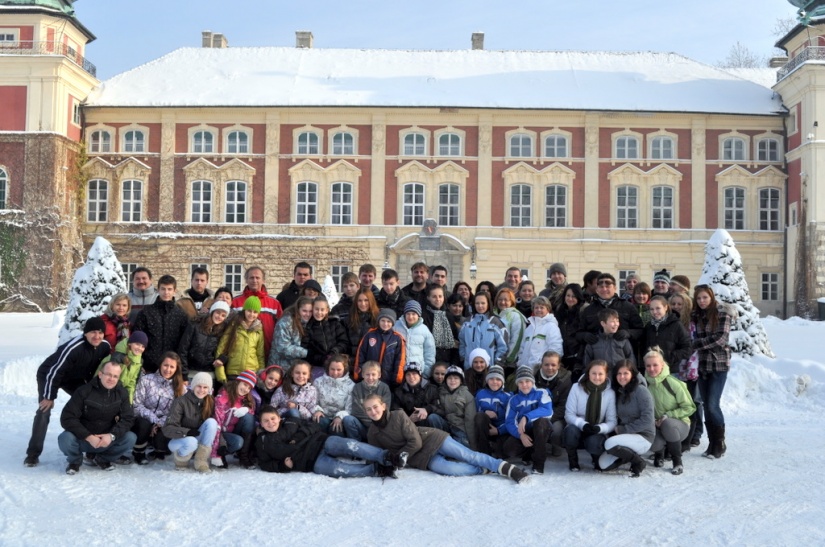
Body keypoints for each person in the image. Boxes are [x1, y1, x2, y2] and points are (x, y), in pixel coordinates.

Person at [364, 393, 529, 483]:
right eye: (369, 409)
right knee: (450, 470)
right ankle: (483, 469)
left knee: (468, 455)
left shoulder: (398, 415)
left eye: (376, 407)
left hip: (431, 439)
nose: (373, 411)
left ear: (384, 406)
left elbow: (416, 441)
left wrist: (399, 457)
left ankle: (505, 468)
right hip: (420, 458)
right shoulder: (373, 433)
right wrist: (383, 464)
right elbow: (376, 453)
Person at [24, 317, 111, 467]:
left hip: (74, 378)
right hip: (49, 375)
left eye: (100, 332)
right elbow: (55, 371)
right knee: (45, 410)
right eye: (93, 332)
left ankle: (92, 449)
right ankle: (33, 454)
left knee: (91, 406)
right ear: (85, 333)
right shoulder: (74, 347)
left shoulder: (104, 347)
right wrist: (49, 396)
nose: (97, 336)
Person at [257, 406, 405, 478]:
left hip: (321, 442)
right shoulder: (263, 442)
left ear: (279, 418)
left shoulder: (291, 422)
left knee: (351, 445)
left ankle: (387, 457)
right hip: (310, 461)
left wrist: (299, 436)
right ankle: (377, 470)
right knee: (341, 469)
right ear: (261, 424)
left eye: (272, 419)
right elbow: (264, 464)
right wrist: (282, 466)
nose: (270, 423)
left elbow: (314, 426)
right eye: (266, 421)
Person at [58, 361, 137, 474]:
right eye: (108, 374)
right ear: (100, 374)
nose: (111, 379)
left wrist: (111, 436)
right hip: (84, 439)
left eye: (115, 376)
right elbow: (67, 418)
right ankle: (74, 462)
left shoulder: (122, 392)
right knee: (65, 438)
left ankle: (103, 459)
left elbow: (128, 419)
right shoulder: (84, 391)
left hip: (107, 440)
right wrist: (88, 437)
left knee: (130, 438)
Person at [691, 284, 732, 459]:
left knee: (713, 404)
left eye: (705, 298)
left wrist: (697, 344)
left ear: (711, 297)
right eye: (699, 298)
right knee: (706, 405)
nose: (702, 301)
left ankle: (720, 443)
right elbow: (694, 336)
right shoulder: (696, 316)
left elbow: (720, 339)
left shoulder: (723, 313)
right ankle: (712, 443)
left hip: (718, 365)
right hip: (702, 366)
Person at [598, 360, 655, 477]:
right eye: (619, 373)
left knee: (609, 443)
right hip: (626, 437)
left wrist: (623, 429)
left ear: (632, 374)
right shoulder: (620, 392)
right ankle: (629, 456)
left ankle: (638, 462)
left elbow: (648, 420)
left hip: (643, 437)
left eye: (625, 373)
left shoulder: (641, 391)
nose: (622, 377)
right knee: (603, 464)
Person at [644, 349, 696, 475]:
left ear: (662, 365)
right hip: (657, 426)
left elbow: (690, 407)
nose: (652, 369)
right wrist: (653, 421)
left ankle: (677, 461)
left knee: (667, 423)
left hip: (678, 426)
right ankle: (659, 453)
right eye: (648, 366)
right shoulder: (645, 385)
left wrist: (668, 416)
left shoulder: (673, 383)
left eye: (655, 365)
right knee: (654, 444)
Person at [131, 351, 186, 464]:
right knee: (143, 423)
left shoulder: (180, 388)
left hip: (163, 422)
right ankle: (139, 452)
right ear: (160, 364)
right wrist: (154, 420)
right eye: (165, 365)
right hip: (145, 418)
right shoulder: (147, 380)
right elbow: (137, 405)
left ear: (176, 369)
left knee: (167, 428)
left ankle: (160, 451)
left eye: (172, 367)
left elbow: (178, 413)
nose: (168, 369)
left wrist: (161, 422)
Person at [564, 360, 617, 471]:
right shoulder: (576, 388)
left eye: (600, 374)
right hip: (578, 426)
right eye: (593, 373)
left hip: (596, 429)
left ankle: (596, 458)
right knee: (570, 431)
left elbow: (612, 421)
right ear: (588, 373)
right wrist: (582, 424)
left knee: (594, 443)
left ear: (606, 375)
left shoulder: (610, 393)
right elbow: (569, 414)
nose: (597, 377)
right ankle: (573, 460)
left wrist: (601, 428)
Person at [162, 372, 219, 472]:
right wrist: (186, 432)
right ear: (193, 386)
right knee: (191, 441)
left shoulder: (210, 402)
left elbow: (214, 429)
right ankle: (181, 461)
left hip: (197, 438)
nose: (202, 390)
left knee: (212, 422)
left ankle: (201, 461)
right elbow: (168, 428)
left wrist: (222, 444)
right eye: (199, 386)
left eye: (205, 387)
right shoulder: (180, 401)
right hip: (179, 441)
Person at [133, 274, 190, 374]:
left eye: (169, 289)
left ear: (174, 291)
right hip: (148, 366)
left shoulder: (181, 315)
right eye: (163, 289)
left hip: (171, 368)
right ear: (158, 290)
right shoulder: (146, 312)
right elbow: (138, 340)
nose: (166, 292)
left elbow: (184, 345)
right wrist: (138, 363)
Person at [501, 366, 552, 474]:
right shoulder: (513, 400)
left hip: (541, 429)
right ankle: (528, 453)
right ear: (517, 384)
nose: (524, 385)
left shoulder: (541, 393)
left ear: (532, 381)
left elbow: (547, 410)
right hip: (525, 431)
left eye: (527, 381)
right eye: (521, 382)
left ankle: (538, 464)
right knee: (509, 448)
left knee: (541, 422)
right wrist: (521, 435)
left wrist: (526, 416)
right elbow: (509, 422)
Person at [577, 272, 644, 351]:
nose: (604, 289)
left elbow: (640, 330)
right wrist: (585, 336)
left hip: (622, 355)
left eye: (608, 286)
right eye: (601, 286)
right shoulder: (588, 310)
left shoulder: (627, 307)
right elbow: (578, 333)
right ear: (597, 289)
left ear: (615, 288)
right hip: (597, 355)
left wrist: (628, 333)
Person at [231, 266, 283, 357]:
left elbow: (281, 329)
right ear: (246, 280)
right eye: (251, 277)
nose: (254, 280)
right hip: (242, 353)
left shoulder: (274, 303)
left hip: (268, 351)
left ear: (263, 280)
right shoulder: (235, 302)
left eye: (257, 278)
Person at [212, 371, 258, 468]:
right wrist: (216, 454)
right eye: (245, 384)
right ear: (238, 382)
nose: (246, 389)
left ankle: (243, 456)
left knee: (249, 417)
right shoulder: (223, 398)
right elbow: (217, 425)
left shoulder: (246, 399)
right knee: (238, 442)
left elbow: (252, 411)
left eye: (249, 388)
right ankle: (221, 452)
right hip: (219, 433)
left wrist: (247, 409)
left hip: (233, 430)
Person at [216, 296, 265, 382]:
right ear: (244, 310)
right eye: (249, 311)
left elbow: (260, 354)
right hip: (233, 372)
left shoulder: (258, 330)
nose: (252, 314)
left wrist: (261, 375)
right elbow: (221, 349)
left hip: (251, 372)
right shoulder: (234, 326)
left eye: (255, 312)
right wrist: (221, 375)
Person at [178, 300, 230, 381]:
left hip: (209, 374)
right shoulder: (195, 325)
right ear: (212, 312)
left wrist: (223, 358)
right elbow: (183, 349)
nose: (219, 317)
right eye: (218, 313)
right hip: (191, 372)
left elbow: (227, 348)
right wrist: (184, 373)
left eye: (223, 315)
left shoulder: (223, 331)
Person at [354, 308, 407, 386]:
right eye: (383, 320)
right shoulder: (369, 335)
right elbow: (361, 354)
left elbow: (399, 360)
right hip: (369, 377)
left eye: (388, 321)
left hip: (387, 379)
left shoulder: (397, 338)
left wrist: (397, 379)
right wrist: (358, 374)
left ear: (392, 323)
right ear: (378, 321)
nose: (385, 324)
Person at [533, 351, 572, 457]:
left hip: (556, 415)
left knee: (556, 430)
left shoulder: (565, 381)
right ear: (541, 364)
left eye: (553, 365)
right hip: (537, 413)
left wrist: (549, 418)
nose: (550, 368)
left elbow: (564, 405)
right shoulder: (533, 378)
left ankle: (556, 445)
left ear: (558, 365)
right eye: (546, 364)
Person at [458, 291, 507, 370]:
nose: (480, 306)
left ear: (488, 304)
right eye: (477, 303)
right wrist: (465, 358)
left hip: (490, 367)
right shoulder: (467, 323)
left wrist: (497, 363)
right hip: (470, 367)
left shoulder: (496, 322)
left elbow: (503, 346)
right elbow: (462, 343)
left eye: (483, 303)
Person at [344, 361, 391, 441]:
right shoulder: (357, 388)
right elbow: (356, 411)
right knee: (348, 419)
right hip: (361, 425)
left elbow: (385, 409)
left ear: (379, 375)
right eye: (367, 374)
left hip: (378, 426)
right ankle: (355, 444)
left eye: (373, 374)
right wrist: (371, 418)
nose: (370, 378)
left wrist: (374, 419)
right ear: (362, 375)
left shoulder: (384, 388)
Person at [392, 361, 446, 430]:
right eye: (408, 374)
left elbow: (440, 409)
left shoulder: (432, 388)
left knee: (433, 417)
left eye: (414, 374)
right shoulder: (399, 391)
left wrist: (426, 409)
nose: (411, 377)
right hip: (410, 427)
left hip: (430, 426)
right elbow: (395, 411)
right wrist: (408, 419)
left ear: (420, 375)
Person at [303, 296, 350, 376]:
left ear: (327, 310)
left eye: (322, 310)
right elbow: (306, 350)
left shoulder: (334, 323)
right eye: (316, 309)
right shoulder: (308, 327)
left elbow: (343, 341)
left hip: (337, 364)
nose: (319, 312)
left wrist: (334, 352)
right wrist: (322, 359)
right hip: (318, 366)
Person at [97, 330, 148, 403]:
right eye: (137, 344)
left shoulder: (138, 362)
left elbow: (131, 384)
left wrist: (128, 403)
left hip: (120, 396)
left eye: (143, 346)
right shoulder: (115, 358)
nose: (140, 348)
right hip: (104, 395)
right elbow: (100, 381)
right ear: (130, 343)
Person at [644, 296, 691, 375]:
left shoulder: (676, 325)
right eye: (652, 309)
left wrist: (671, 357)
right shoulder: (649, 326)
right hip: (652, 371)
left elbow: (688, 348)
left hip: (671, 371)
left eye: (658, 308)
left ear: (665, 307)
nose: (655, 312)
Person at [582, 308, 635, 375]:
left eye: (617, 321)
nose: (616, 324)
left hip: (620, 377)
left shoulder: (622, 339)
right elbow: (587, 362)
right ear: (603, 323)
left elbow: (630, 357)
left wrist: (631, 373)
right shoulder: (594, 341)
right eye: (612, 321)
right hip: (601, 378)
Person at [312, 354, 354, 435]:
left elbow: (349, 408)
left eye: (339, 370)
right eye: (332, 369)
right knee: (318, 422)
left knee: (336, 429)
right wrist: (317, 410)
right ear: (328, 368)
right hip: (323, 416)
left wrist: (339, 417)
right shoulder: (318, 381)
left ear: (344, 369)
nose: (335, 373)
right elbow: (313, 401)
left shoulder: (351, 385)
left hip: (338, 419)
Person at [473, 364, 511, 456]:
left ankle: (497, 448)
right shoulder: (480, 394)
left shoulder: (508, 397)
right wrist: (484, 412)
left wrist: (498, 430)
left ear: (502, 382)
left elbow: (511, 420)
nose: (494, 382)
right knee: (480, 416)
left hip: (501, 429)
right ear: (487, 380)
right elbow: (476, 411)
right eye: (491, 379)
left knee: (503, 452)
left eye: (498, 379)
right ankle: (484, 452)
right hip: (486, 428)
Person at [394, 300, 436, 380]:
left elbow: (430, 353)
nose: (410, 317)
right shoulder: (396, 326)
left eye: (413, 314)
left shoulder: (424, 330)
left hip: (417, 371)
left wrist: (426, 371)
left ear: (418, 315)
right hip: (399, 370)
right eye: (408, 314)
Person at [518, 296, 563, 369]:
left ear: (547, 309)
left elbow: (556, 349)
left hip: (541, 369)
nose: (539, 310)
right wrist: (520, 362)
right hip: (525, 369)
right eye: (536, 307)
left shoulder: (552, 327)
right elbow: (522, 349)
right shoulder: (529, 328)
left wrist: (546, 365)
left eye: (542, 307)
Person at [439, 366, 477, 449]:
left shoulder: (467, 395)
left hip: (460, 428)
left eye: (456, 378)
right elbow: (439, 409)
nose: (452, 381)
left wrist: (472, 443)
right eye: (450, 378)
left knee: (460, 449)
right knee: (433, 418)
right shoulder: (441, 392)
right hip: (446, 425)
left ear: (461, 381)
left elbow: (470, 419)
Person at [554, 283, 588, 376]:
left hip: (578, 356)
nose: (570, 299)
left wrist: (579, 358)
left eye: (574, 296)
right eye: (568, 295)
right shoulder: (560, 309)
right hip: (563, 355)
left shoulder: (584, 311)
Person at [269, 296, 312, 369]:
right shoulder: (286, 322)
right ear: (298, 309)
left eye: (310, 311)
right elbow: (283, 347)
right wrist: (307, 352)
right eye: (304, 311)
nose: (307, 314)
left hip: (295, 368)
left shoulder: (307, 323)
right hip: (280, 366)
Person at [423, 284, 457, 365]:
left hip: (448, 359)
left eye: (440, 296)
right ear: (428, 298)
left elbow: (455, 340)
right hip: (430, 359)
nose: (438, 299)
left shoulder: (449, 316)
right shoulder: (424, 316)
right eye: (434, 296)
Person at [495, 288, 527, 369]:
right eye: (500, 299)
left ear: (511, 301)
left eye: (506, 300)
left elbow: (517, 340)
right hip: (495, 360)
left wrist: (509, 359)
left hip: (508, 363)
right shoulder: (494, 315)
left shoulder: (515, 316)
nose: (502, 302)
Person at [346, 287, 380, 351]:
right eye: (360, 301)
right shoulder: (349, 319)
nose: (363, 304)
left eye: (366, 300)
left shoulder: (378, 319)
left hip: (372, 357)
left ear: (371, 301)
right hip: (353, 357)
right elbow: (345, 342)